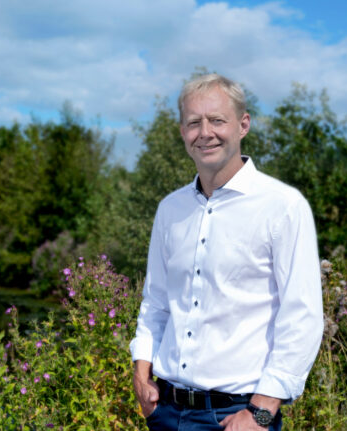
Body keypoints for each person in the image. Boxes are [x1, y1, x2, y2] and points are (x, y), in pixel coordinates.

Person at [130, 73, 324, 430]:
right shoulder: (170, 210)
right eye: (194, 122)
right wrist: (141, 371)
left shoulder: (283, 206)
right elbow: (156, 301)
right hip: (165, 413)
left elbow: (303, 316)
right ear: (182, 131)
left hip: (237, 418)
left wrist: (262, 412)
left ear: (243, 125)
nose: (205, 132)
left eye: (217, 120)